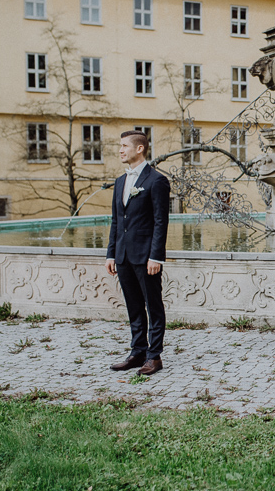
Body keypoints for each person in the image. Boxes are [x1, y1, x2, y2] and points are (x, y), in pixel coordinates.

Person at [106, 130, 171, 376]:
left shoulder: (156, 181)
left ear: (139, 149)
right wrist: (111, 254)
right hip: (123, 256)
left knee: (153, 306)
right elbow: (116, 221)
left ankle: (154, 356)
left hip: (146, 258)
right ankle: (137, 352)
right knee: (133, 306)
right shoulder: (121, 182)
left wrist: (156, 257)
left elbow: (160, 222)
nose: (121, 150)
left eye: (124, 146)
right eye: (120, 146)